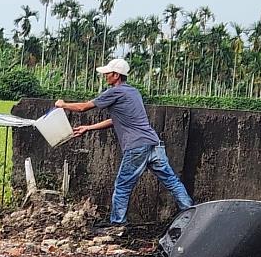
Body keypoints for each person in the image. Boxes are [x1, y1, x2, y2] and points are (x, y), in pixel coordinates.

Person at [55, 58, 193, 227]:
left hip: (136, 146)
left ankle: (117, 225)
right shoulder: (133, 92)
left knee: (122, 187)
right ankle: (190, 215)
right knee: (172, 181)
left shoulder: (115, 92)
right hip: (153, 143)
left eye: (108, 73)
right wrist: (88, 128)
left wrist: (62, 105)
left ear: (116, 75)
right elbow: (116, 120)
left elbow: (84, 107)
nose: (105, 76)